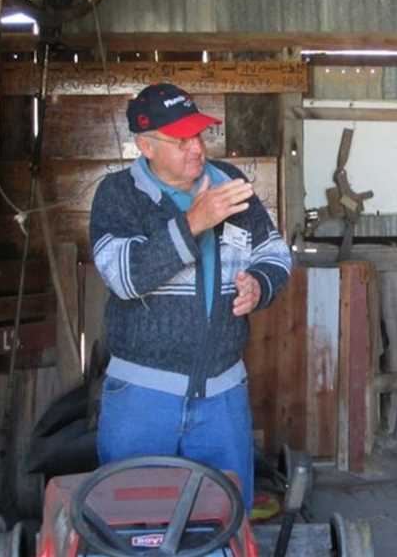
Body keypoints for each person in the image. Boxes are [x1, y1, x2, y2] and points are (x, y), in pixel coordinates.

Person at [89, 83, 292, 514]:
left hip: (223, 395)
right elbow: (123, 277)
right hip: (141, 398)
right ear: (145, 145)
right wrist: (193, 222)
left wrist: (260, 282)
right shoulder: (118, 195)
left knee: (225, 520)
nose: (196, 149)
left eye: (199, 135)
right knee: (133, 524)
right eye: (181, 140)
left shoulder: (230, 183)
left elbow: (274, 252)